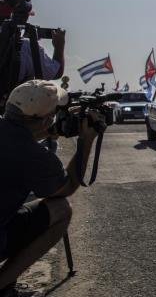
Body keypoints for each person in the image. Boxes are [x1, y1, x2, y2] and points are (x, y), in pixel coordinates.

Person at [0, 81, 101, 297]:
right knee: (61, 209)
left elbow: (17, 137)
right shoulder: (32, 155)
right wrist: (86, 140)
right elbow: (67, 186)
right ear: (45, 119)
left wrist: (48, 131)